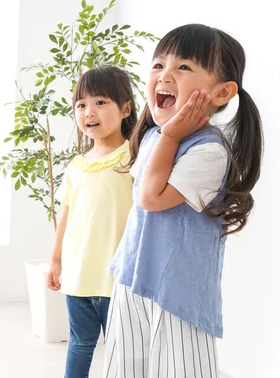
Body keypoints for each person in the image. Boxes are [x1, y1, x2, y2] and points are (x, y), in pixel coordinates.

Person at [104, 23, 263, 378]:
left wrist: (173, 134)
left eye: (184, 67)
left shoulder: (209, 149)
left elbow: (150, 198)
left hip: (178, 292)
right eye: (158, 65)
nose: (165, 75)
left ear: (221, 92)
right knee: (123, 367)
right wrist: (168, 135)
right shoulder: (154, 138)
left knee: (181, 370)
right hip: (132, 276)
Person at [46, 65, 137, 378]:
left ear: (125, 108)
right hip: (80, 274)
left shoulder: (134, 157)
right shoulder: (77, 166)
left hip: (119, 277)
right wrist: (56, 260)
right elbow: (67, 216)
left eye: (100, 102)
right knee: (81, 342)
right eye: (81, 105)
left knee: (122, 347)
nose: (89, 112)